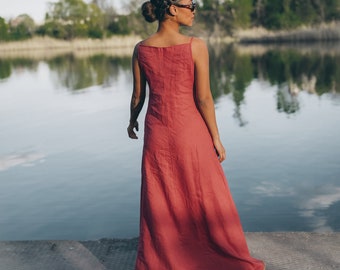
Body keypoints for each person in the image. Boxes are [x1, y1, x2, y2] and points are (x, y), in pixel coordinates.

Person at [127, 0, 265, 269]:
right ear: (171, 9)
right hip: (190, 131)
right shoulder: (196, 46)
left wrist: (132, 121)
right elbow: (203, 98)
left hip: (157, 132)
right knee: (202, 192)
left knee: (163, 194)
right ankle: (204, 249)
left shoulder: (141, 49)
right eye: (190, 5)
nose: (194, 10)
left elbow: (137, 95)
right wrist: (215, 137)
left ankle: (167, 255)